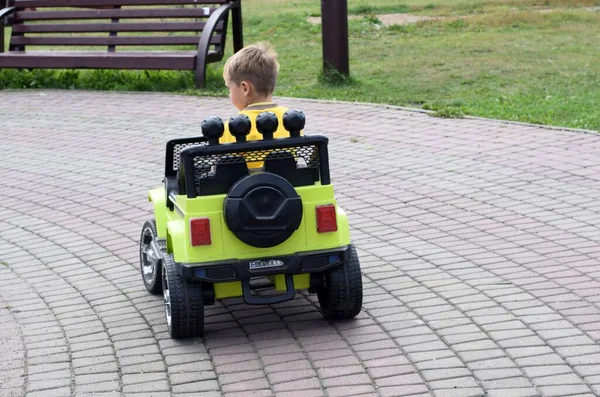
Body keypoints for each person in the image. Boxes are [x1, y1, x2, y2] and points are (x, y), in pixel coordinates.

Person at [220, 42, 298, 143]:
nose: (229, 94)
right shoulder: (292, 121)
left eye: (229, 89)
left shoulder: (230, 128)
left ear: (245, 88)